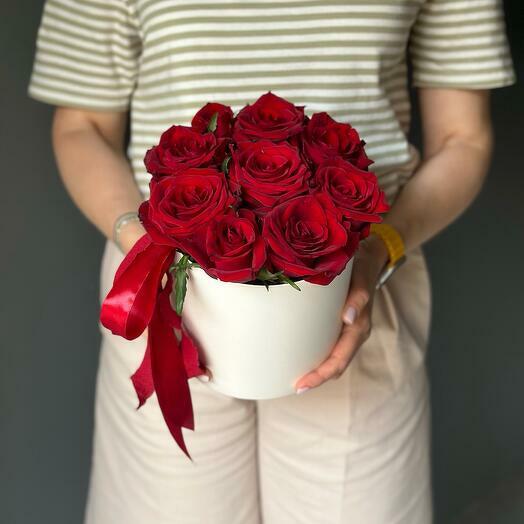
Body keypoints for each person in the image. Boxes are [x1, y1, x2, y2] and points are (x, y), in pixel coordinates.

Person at [28, 1, 515, 522]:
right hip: (161, 293)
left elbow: (462, 138)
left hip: (362, 293)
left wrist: (375, 256)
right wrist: (144, 247)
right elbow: (82, 125)